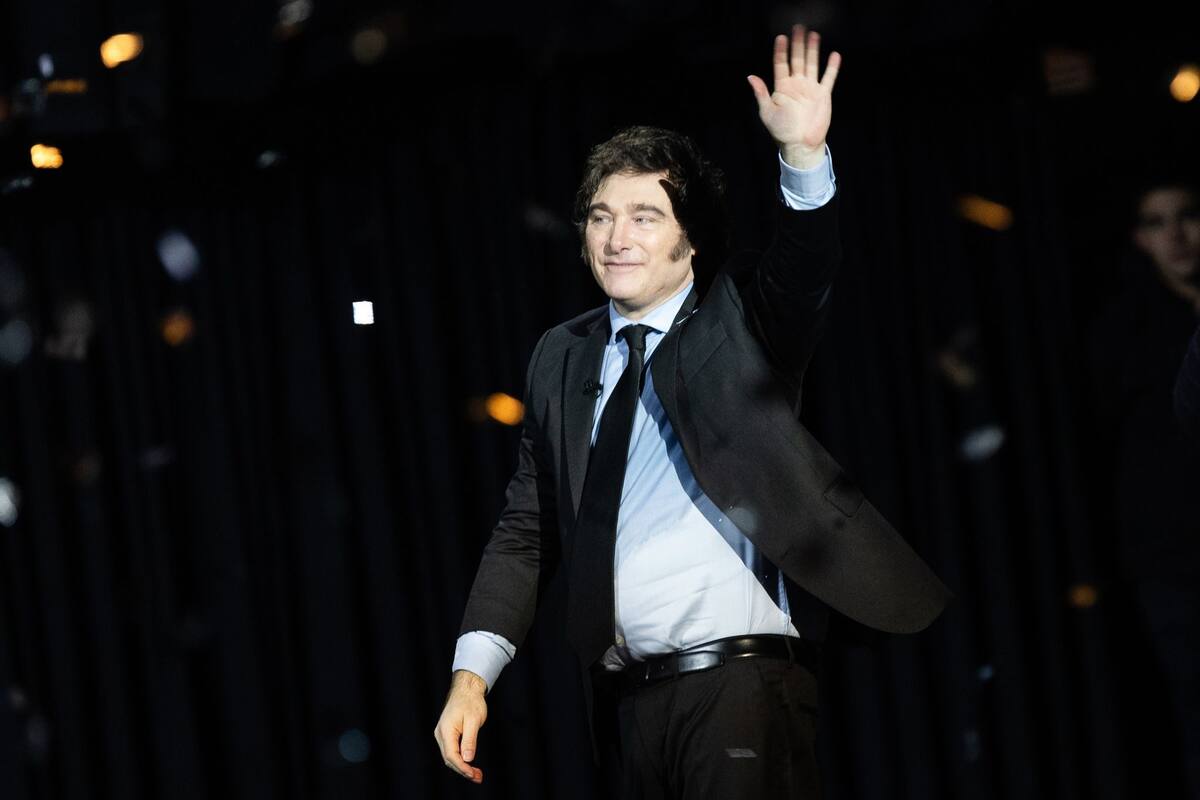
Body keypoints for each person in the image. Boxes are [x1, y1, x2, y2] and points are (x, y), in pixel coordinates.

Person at [433, 27, 950, 798]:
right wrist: (472, 676)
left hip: (739, 687)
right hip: (624, 707)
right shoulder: (562, 355)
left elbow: (805, 268)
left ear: (690, 240)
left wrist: (804, 157)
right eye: (601, 216)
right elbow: (527, 527)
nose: (617, 237)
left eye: (645, 216)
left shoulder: (737, 322)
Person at [1090, 178, 1200, 799]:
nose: (1178, 235)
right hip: (1174, 553)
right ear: (1140, 239)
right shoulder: (1126, 332)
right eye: (1160, 223)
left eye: (1187, 216)